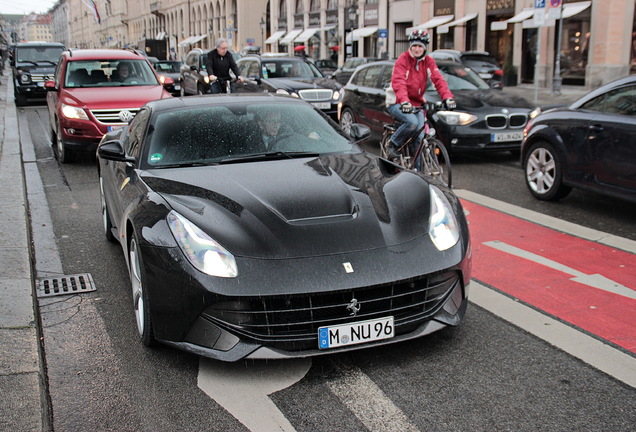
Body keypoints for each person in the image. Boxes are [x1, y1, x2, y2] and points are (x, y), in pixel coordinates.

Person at [385, 29, 455, 159]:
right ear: (410, 46)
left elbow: (438, 79)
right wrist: (404, 101)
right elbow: (398, 82)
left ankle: (418, 171)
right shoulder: (403, 59)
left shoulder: (428, 61)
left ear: (425, 48)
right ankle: (392, 144)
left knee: (420, 137)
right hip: (397, 102)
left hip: (417, 103)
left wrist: (448, 98)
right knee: (412, 123)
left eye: (420, 46)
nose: (417, 49)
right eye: (414, 46)